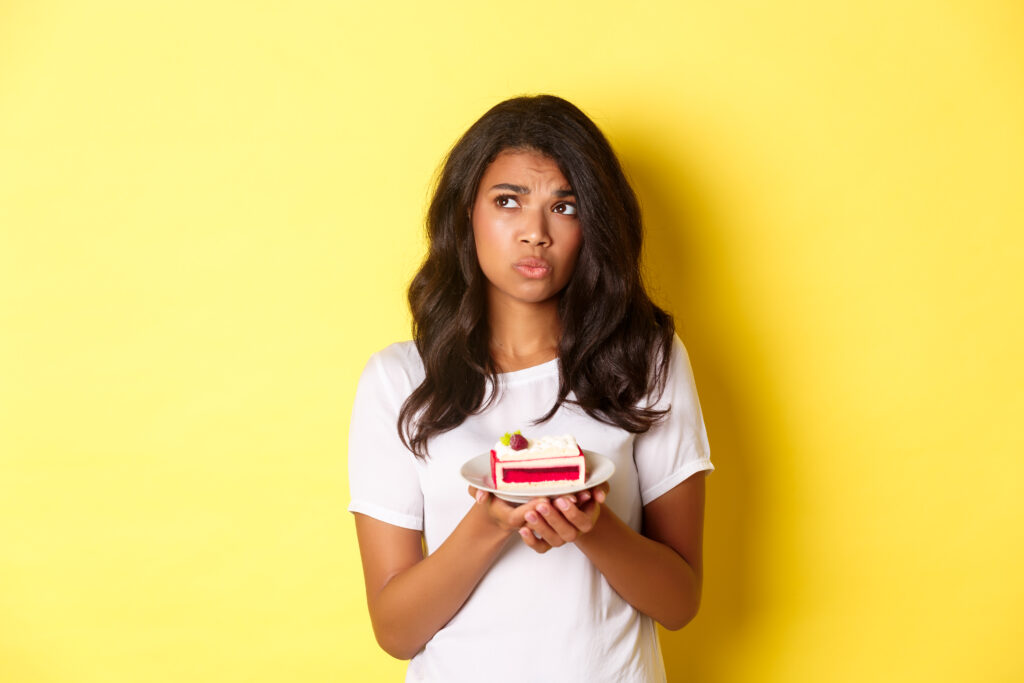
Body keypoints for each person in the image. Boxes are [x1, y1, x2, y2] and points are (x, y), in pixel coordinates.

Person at [347, 94, 714, 682]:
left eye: (564, 206)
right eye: (508, 201)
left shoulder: (646, 360)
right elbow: (395, 631)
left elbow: (679, 603)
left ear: (593, 224)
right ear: (466, 212)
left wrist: (592, 527)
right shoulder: (400, 380)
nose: (535, 233)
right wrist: (491, 523)